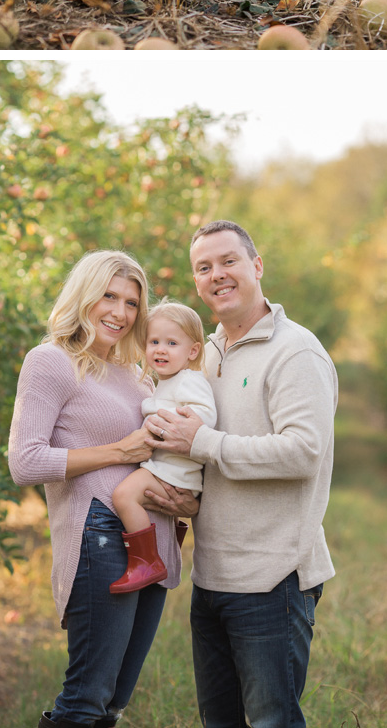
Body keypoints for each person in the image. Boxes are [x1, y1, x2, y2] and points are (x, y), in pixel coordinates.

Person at [146, 220, 337, 728]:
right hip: (212, 577)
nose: (217, 275)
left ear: (256, 266)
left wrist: (202, 444)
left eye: (228, 261)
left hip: (272, 579)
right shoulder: (202, 354)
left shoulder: (295, 351)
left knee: (272, 721)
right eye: (203, 267)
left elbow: (304, 452)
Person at [8, 250, 197, 728]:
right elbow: (25, 462)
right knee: (87, 696)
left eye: (132, 303)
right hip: (101, 534)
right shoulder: (51, 361)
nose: (119, 312)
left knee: (114, 700)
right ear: (84, 296)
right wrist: (119, 452)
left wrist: (183, 501)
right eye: (108, 297)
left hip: (152, 540)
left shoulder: (137, 375)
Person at [109, 301, 216, 594]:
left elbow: (206, 415)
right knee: (134, 498)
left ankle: (147, 561)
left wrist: (164, 423)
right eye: (154, 342)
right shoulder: (167, 382)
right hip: (168, 468)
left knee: (123, 496)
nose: (160, 349)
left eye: (171, 343)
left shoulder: (188, 380)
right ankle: (165, 551)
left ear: (192, 351)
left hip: (173, 471)